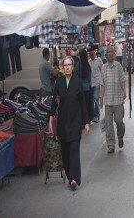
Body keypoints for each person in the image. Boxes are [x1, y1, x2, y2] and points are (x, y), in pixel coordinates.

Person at [48, 55, 90, 191]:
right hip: (63, 123)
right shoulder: (59, 82)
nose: (67, 67)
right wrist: (50, 118)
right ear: (62, 67)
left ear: (72, 67)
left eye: (69, 65)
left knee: (74, 152)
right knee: (65, 153)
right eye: (64, 65)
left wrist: (86, 122)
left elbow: (83, 103)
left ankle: (74, 179)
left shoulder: (77, 82)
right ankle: (69, 175)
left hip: (75, 122)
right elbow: (54, 101)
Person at [100, 46, 126, 154]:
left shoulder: (118, 66)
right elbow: (102, 84)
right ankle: (111, 145)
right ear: (105, 55)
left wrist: (124, 91)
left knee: (119, 121)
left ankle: (120, 136)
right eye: (108, 52)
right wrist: (101, 99)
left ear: (114, 54)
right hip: (108, 101)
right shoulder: (103, 68)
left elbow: (123, 79)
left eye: (111, 52)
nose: (110, 54)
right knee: (108, 124)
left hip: (118, 99)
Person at [75, 49, 93, 126]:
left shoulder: (78, 64)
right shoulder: (87, 64)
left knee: (81, 105)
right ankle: (88, 120)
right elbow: (89, 77)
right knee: (87, 104)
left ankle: (82, 121)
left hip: (80, 87)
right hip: (87, 87)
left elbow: (75, 74)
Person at [89, 48, 103, 123]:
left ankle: (97, 115)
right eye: (90, 54)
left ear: (95, 53)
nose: (91, 55)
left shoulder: (99, 60)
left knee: (96, 98)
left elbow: (102, 70)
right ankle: (93, 115)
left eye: (92, 54)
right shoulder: (88, 62)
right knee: (92, 100)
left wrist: (102, 81)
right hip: (91, 83)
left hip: (97, 82)